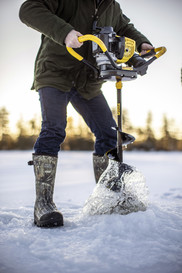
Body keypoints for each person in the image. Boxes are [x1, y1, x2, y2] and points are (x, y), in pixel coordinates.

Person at [19, 0, 153, 228]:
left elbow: (124, 28)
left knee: (109, 135)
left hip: (88, 80)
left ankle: (109, 199)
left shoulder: (112, 6)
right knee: (54, 129)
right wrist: (65, 32)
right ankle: (43, 204)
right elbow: (28, 10)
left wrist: (142, 43)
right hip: (55, 73)